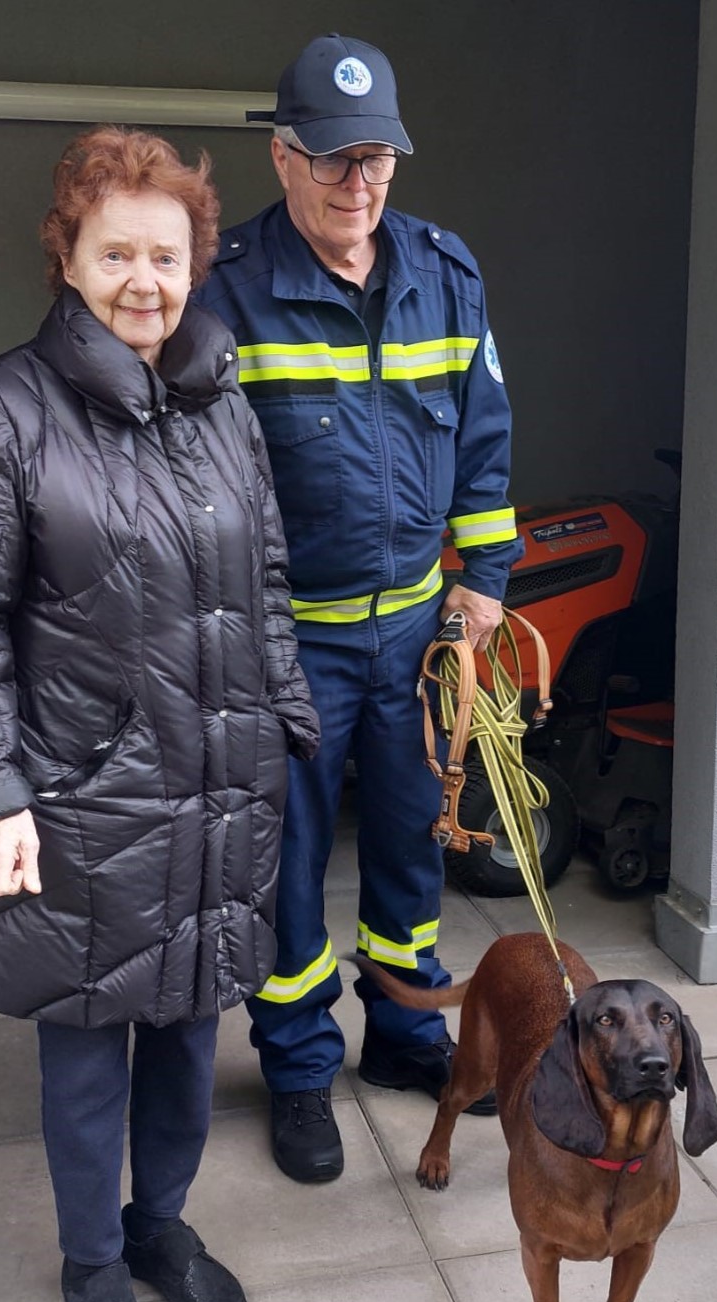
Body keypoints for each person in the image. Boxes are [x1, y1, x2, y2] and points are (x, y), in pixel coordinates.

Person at [0, 127, 319, 1302]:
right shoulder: (6, 410)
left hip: (218, 782)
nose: (144, 280)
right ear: (68, 257)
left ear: (196, 263)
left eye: (167, 255)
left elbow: (264, 578)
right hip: (83, 798)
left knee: (192, 1030)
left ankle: (161, 1226)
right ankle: (92, 1265)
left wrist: (287, 716)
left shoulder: (222, 402)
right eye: (115, 254)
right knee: (89, 1049)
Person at [198, 34, 522, 1184]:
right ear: (283, 156)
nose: (356, 183)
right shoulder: (226, 289)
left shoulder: (444, 270)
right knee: (283, 867)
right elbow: (195, 478)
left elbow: (482, 438)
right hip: (287, 643)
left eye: (375, 157)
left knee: (409, 847)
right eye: (333, 158)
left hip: (417, 635)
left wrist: (482, 581)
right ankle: (297, 1067)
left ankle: (402, 1034)